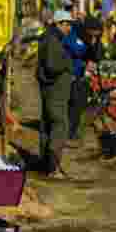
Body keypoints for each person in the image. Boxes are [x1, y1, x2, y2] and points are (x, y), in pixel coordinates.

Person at [36, 10, 77, 179]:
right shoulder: (52, 40)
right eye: (67, 24)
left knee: (48, 125)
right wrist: (67, 65)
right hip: (55, 93)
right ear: (58, 24)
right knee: (60, 125)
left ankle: (47, 166)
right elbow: (52, 66)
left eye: (70, 24)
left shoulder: (51, 39)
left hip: (52, 91)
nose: (69, 28)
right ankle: (54, 167)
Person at [65, 14, 104, 143]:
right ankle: (65, 132)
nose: (93, 37)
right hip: (69, 73)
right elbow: (73, 49)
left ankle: (72, 131)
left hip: (83, 75)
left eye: (96, 35)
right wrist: (87, 47)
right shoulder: (73, 33)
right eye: (91, 34)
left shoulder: (95, 39)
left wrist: (95, 45)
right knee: (70, 102)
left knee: (79, 103)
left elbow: (97, 56)